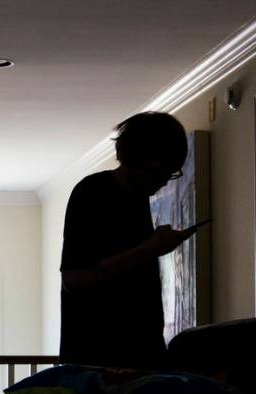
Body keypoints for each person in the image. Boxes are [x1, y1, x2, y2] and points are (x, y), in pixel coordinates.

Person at [59, 111, 197, 370]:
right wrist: (150, 249)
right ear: (148, 162)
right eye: (165, 171)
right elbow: (74, 279)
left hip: (140, 359)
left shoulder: (138, 201)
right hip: (96, 363)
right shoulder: (91, 194)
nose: (166, 181)